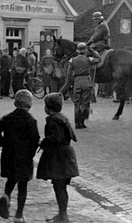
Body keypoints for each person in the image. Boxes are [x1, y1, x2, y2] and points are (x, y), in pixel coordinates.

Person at [0, 90, 40, 223]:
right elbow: (35, 139)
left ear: (15, 102)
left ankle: (6, 196)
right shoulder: (31, 120)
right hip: (24, 157)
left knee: (11, 179)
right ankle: (19, 215)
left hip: (9, 155)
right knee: (23, 186)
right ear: (30, 104)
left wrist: (3, 143)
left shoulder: (7, 118)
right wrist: (31, 153)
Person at [37, 93, 79, 223]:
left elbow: (56, 138)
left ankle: (63, 215)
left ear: (48, 107)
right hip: (65, 156)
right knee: (60, 186)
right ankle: (62, 214)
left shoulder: (53, 120)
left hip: (59, 158)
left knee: (59, 186)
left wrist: (43, 143)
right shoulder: (61, 118)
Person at [61, 43, 100, 129]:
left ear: (77, 51)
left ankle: (77, 123)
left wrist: (69, 85)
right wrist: (92, 51)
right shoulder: (89, 59)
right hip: (87, 81)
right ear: (85, 50)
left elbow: (69, 75)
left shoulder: (72, 60)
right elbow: (99, 59)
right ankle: (82, 123)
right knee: (85, 103)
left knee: (77, 103)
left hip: (77, 82)